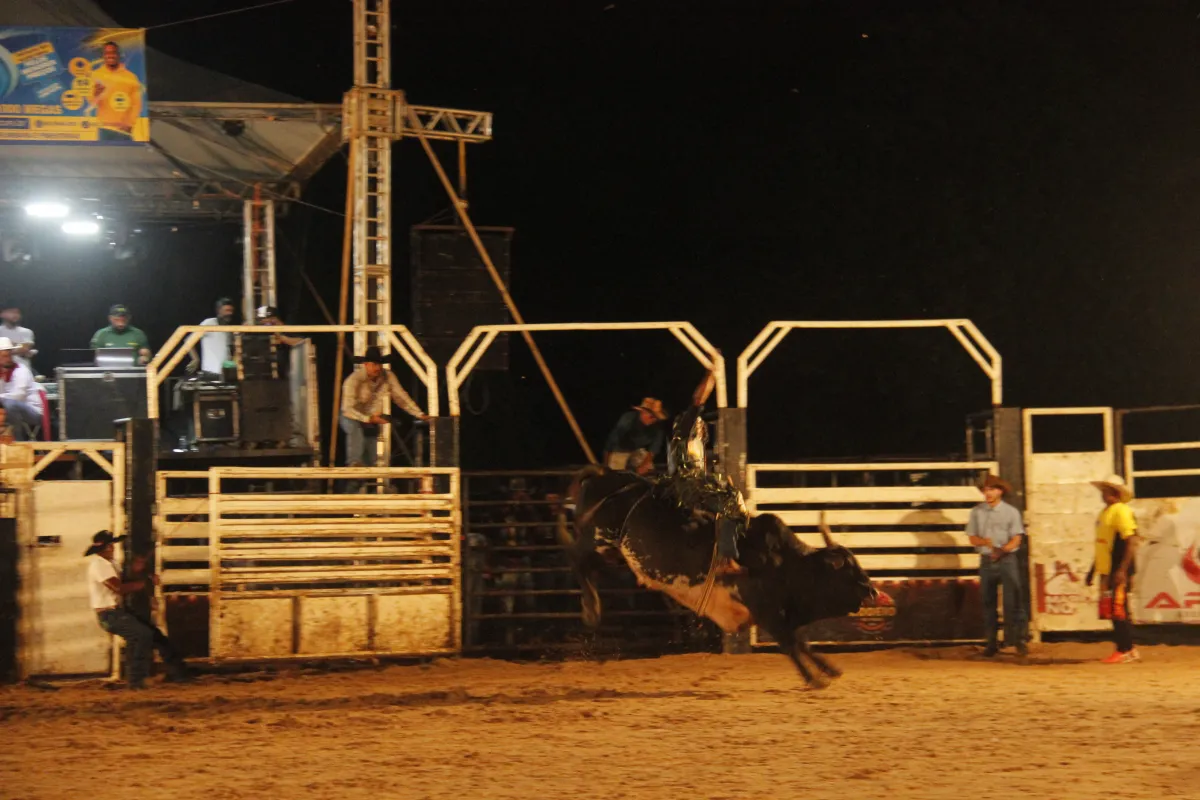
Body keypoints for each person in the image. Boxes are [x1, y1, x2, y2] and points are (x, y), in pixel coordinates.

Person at [966, 473, 1028, 657]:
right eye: (985, 490)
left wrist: (1002, 550)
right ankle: (992, 642)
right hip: (989, 558)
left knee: (1012, 601)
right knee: (988, 602)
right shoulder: (976, 512)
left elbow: (1017, 538)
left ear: (1000, 491)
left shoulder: (1011, 512)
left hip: (1005, 558)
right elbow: (972, 538)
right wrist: (984, 542)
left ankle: (1018, 640)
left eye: (991, 489)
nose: (988, 493)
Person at [340, 346, 427, 476]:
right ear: (366, 364)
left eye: (380, 364)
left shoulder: (387, 376)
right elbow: (348, 409)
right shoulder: (353, 380)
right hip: (351, 416)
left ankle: (364, 475)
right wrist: (369, 418)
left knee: (371, 453)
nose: (378, 368)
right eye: (374, 364)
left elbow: (401, 397)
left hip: (370, 418)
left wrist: (419, 414)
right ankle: (354, 462)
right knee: (354, 428)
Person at [84, 531, 156, 690]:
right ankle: (136, 680)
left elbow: (124, 583)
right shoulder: (99, 565)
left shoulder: (110, 563)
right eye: (109, 545)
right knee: (142, 635)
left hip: (113, 612)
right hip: (109, 613)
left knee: (136, 637)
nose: (111, 547)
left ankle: (134, 679)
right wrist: (144, 583)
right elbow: (119, 587)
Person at [1085, 474, 1142, 664]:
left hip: (1117, 568)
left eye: (1107, 491)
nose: (1104, 494)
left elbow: (1131, 540)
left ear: (1116, 493)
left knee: (1118, 609)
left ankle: (1124, 649)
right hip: (1108, 569)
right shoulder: (1105, 512)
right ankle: (1128, 648)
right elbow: (1103, 544)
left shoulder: (1121, 511)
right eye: (1103, 490)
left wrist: (1122, 570)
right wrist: (1093, 570)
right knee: (1114, 608)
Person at [127, 552, 191, 682]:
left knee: (148, 641)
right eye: (139, 562)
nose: (141, 565)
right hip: (138, 613)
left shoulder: (137, 576)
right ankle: (175, 672)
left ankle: (143, 675)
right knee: (154, 640)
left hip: (139, 612)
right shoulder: (135, 579)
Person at [90, 41, 143, 142]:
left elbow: (136, 104)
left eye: (113, 52)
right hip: (104, 128)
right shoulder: (96, 75)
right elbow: (91, 102)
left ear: (118, 55)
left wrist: (129, 124)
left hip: (124, 129)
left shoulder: (131, 77)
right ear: (103, 56)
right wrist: (96, 94)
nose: (110, 55)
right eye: (107, 53)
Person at [603, 397, 667, 472]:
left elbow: (654, 448)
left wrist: (644, 465)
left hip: (637, 450)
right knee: (615, 474)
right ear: (642, 412)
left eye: (656, 418)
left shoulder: (657, 426)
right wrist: (606, 465)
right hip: (619, 450)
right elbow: (611, 443)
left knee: (650, 470)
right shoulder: (628, 419)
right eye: (651, 416)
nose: (654, 420)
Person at [0, 336, 43, 440]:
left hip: (32, 412)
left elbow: (18, 396)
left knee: (10, 404)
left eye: (10, 355)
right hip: (8, 411)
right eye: (4, 356)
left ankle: (17, 440)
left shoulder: (21, 370)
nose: (8, 359)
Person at [189, 298, 237, 377]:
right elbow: (188, 341)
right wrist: (195, 359)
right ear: (219, 311)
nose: (230, 313)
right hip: (210, 373)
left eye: (231, 311)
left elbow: (230, 350)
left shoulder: (229, 329)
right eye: (227, 310)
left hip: (225, 373)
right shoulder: (209, 323)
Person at [0, 304, 35, 372]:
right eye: (11, 312)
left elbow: (24, 350)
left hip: (22, 371)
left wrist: (5, 346)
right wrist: (18, 346)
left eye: (17, 313)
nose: (15, 315)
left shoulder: (26, 332)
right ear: (2, 314)